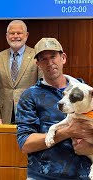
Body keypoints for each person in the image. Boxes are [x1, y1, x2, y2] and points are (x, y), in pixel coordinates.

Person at [16, 37, 92, 179]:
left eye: (53, 56)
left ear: (63, 58)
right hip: (44, 175)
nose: (50, 63)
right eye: (44, 59)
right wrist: (67, 132)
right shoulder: (30, 96)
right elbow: (25, 143)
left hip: (83, 174)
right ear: (38, 64)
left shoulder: (86, 93)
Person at [0, 20, 42, 124]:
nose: (15, 36)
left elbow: (41, 88)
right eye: (12, 33)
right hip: (4, 116)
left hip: (30, 114)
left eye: (19, 33)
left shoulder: (36, 56)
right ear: (6, 36)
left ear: (26, 35)